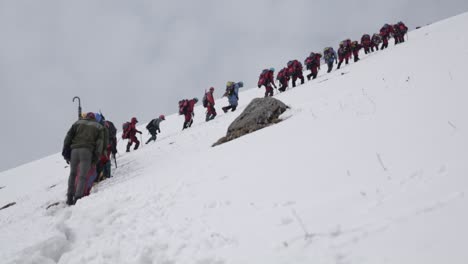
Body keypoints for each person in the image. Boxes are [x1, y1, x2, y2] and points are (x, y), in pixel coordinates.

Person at [62, 112, 105, 205]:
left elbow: (68, 136)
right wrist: (96, 157)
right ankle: (78, 197)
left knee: (72, 174)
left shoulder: (77, 123)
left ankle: (69, 197)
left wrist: (65, 150)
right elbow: (99, 144)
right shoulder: (99, 127)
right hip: (86, 151)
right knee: (82, 176)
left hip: (74, 150)